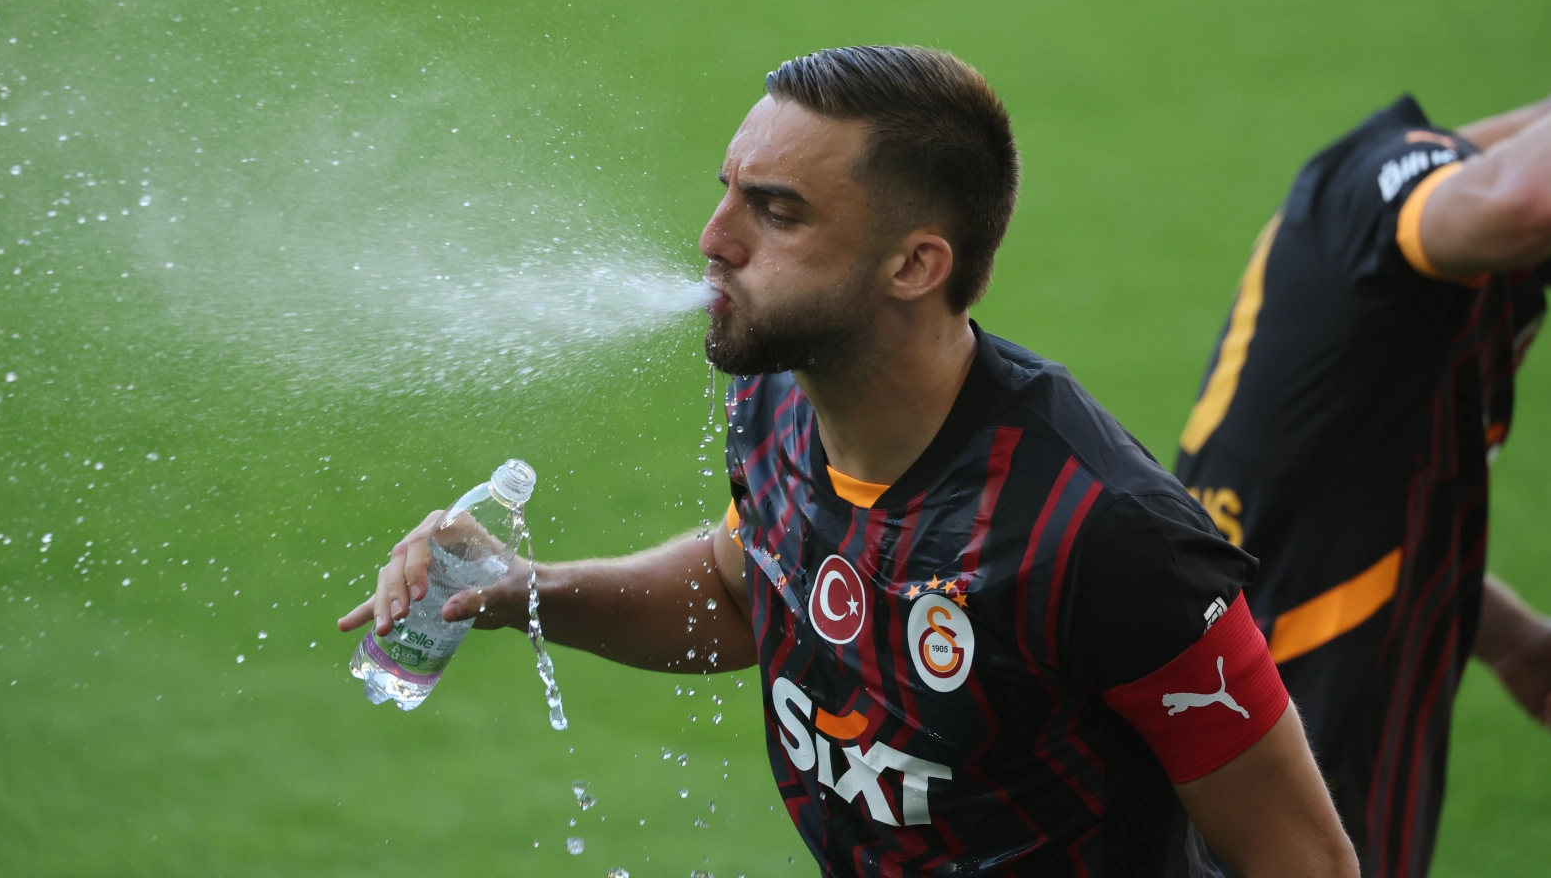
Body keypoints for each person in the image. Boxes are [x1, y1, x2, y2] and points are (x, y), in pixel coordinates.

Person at [340, 46, 1357, 877]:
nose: (714, 239)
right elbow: (742, 592)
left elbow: (1303, 857)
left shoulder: (1102, 531)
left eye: (777, 212)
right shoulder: (778, 400)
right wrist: (525, 591)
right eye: (727, 193)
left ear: (915, 264)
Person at [1175, 92, 1551, 878]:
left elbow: (1337, 518)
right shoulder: (1376, 198)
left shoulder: (1382, 269)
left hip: (1308, 745)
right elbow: (1523, 198)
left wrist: (1509, 637)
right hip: (1282, 774)